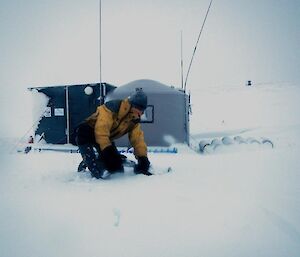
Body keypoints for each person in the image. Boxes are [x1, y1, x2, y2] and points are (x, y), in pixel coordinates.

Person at [74, 88, 152, 179]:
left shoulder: (134, 119)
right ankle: (88, 160)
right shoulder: (112, 108)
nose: (141, 113)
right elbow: (101, 131)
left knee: (116, 169)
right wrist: (108, 151)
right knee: (99, 173)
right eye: (140, 109)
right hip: (86, 134)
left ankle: (99, 158)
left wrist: (143, 158)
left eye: (143, 110)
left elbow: (138, 140)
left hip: (105, 138)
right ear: (133, 106)